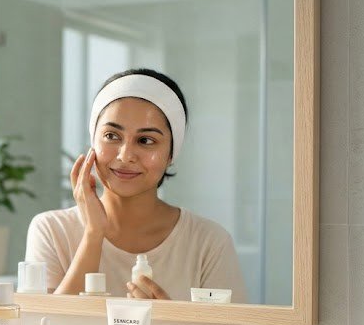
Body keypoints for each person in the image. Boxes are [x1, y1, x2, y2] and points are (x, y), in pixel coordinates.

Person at [25, 68, 246, 302]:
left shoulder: (209, 243)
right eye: (111, 136)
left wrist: (168, 323)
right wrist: (93, 233)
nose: (125, 155)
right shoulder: (50, 230)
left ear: (171, 153)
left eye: (146, 140)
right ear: (93, 141)